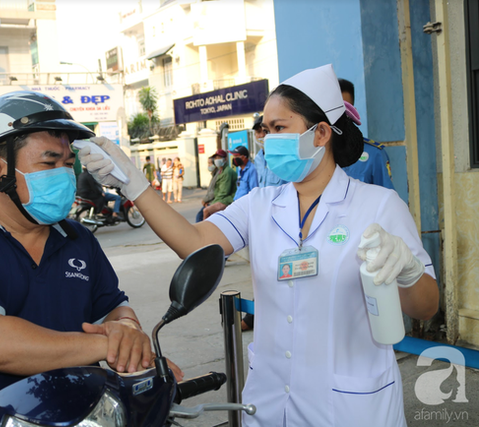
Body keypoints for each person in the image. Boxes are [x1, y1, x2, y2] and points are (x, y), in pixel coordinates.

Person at [78, 64, 438, 426]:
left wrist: (408, 272)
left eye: (280, 128)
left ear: (321, 133)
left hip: (350, 407)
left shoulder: (377, 205)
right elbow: (195, 242)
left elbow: (426, 307)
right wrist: (135, 185)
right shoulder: (260, 204)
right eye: (266, 130)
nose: (268, 140)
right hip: (269, 402)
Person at [0, 91, 182, 420]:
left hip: (85, 414)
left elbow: (112, 307)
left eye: (68, 164)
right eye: (49, 163)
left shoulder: (77, 237)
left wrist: (128, 334)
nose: (64, 174)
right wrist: (106, 346)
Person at [339, 78, 394, 189]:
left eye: (345, 110)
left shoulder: (374, 154)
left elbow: (387, 198)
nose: (339, 117)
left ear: (353, 112)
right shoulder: (316, 154)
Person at [253, 115, 287, 188]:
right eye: (258, 132)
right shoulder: (257, 159)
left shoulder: (283, 156)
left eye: (265, 131)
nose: (262, 135)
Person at [201, 149, 237, 220]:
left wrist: (212, 203)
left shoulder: (227, 172)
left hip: (226, 199)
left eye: (219, 158)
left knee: (206, 211)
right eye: (216, 158)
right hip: (219, 199)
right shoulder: (220, 171)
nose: (217, 160)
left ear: (225, 159)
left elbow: (224, 192)